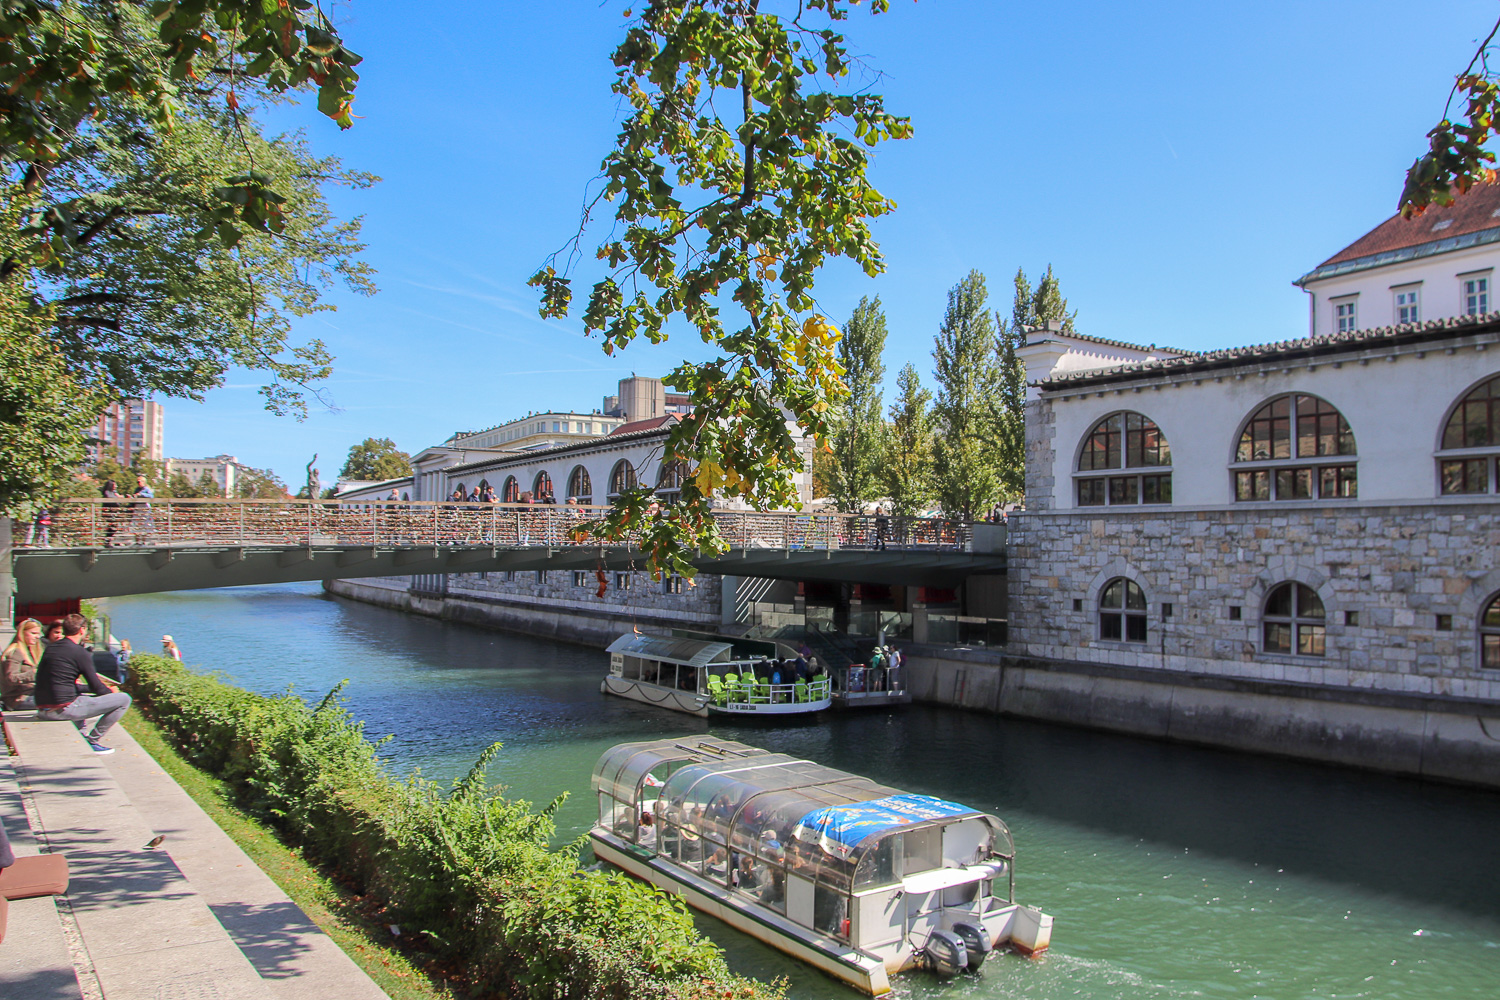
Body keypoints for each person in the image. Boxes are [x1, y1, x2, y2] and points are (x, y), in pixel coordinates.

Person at [34, 613, 131, 754]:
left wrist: (89, 689)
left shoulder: (51, 648)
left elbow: (62, 683)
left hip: (43, 710)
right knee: (124, 699)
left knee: (81, 697)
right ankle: (93, 741)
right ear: (82, 630)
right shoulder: (79, 652)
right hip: (62, 710)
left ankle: (81, 734)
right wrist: (111, 692)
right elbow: (97, 687)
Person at [2, 618, 43, 710]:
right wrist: (33, 674)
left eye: (38, 634)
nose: (37, 637)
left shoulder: (29, 650)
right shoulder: (16, 651)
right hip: (18, 700)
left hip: (30, 695)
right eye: (33, 633)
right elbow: (11, 678)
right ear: (22, 633)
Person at [130, 474, 156, 539]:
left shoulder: (146, 489)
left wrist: (141, 494)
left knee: (146, 523)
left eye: (139, 482)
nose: (138, 483)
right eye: (137, 482)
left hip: (145, 507)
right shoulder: (137, 489)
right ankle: (138, 539)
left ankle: (146, 539)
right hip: (138, 507)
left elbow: (151, 496)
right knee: (137, 523)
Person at [100, 479, 124, 546]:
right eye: (114, 485)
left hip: (115, 512)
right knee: (111, 527)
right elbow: (111, 499)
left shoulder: (114, 492)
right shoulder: (107, 492)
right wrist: (118, 497)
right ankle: (108, 541)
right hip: (109, 513)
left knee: (115, 527)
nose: (116, 486)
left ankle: (112, 541)